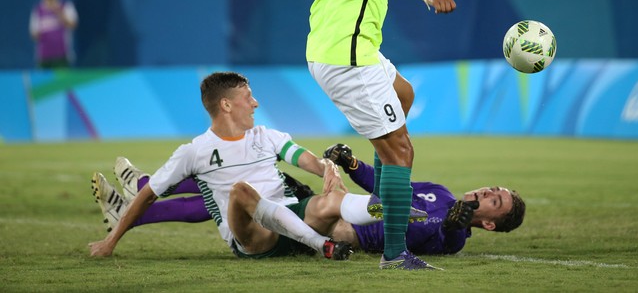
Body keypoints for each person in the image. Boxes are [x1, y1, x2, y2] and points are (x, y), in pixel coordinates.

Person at [251, 0, 456, 270]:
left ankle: (383, 196)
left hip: (340, 51)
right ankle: (395, 254)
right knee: (401, 152)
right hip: (349, 60)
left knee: (404, 94)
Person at [88, 71, 395, 261]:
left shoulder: (267, 136)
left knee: (332, 200)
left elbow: (303, 157)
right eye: (248, 97)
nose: (256, 103)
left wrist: (326, 165)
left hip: (292, 215)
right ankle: (321, 245)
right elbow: (148, 196)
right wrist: (110, 242)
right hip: (254, 237)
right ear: (226, 105)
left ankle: (392, 210)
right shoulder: (194, 151)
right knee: (241, 192)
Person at [92, 143, 526, 256]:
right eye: (493, 189)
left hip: (343, 228)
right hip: (342, 204)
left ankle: (142, 192)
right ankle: (139, 194)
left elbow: (430, 235)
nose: (488, 193)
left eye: (495, 202)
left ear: (488, 224)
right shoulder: (444, 192)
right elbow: (386, 188)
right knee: (251, 182)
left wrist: (453, 222)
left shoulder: (456, 240)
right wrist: (353, 164)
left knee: (238, 189)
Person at [29, 0, 78, 68]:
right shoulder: (38, 9)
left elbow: (73, 24)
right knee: (44, 82)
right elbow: (33, 34)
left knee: (63, 82)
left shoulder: (65, 5)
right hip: (44, 57)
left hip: (62, 56)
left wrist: (59, 14)